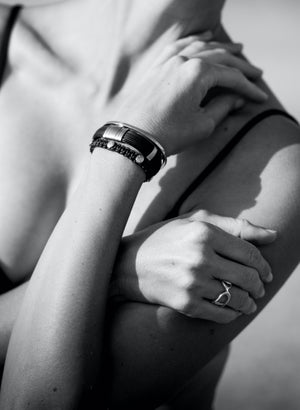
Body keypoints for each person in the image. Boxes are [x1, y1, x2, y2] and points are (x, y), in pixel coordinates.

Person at [0, 1, 299, 408]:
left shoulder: (273, 164)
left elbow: (35, 401)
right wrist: (116, 271)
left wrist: (119, 159)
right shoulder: (8, 38)